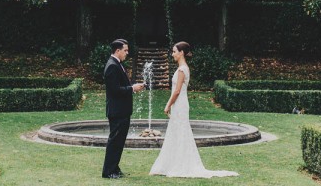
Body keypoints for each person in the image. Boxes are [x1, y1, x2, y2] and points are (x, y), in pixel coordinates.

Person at [150, 41, 238, 178]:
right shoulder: (183, 68)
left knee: (180, 130)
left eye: (174, 51)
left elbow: (177, 91)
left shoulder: (181, 70)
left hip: (179, 104)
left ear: (181, 53)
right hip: (180, 104)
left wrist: (167, 105)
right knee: (177, 131)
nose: (172, 54)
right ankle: (172, 163)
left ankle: (180, 165)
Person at [102, 38, 145, 179]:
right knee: (115, 141)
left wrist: (133, 86)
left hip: (122, 111)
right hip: (117, 111)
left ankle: (114, 168)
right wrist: (132, 88)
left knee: (119, 141)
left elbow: (120, 85)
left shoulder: (117, 64)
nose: (127, 53)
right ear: (117, 50)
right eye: (125, 50)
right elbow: (114, 90)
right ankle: (108, 172)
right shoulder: (112, 66)